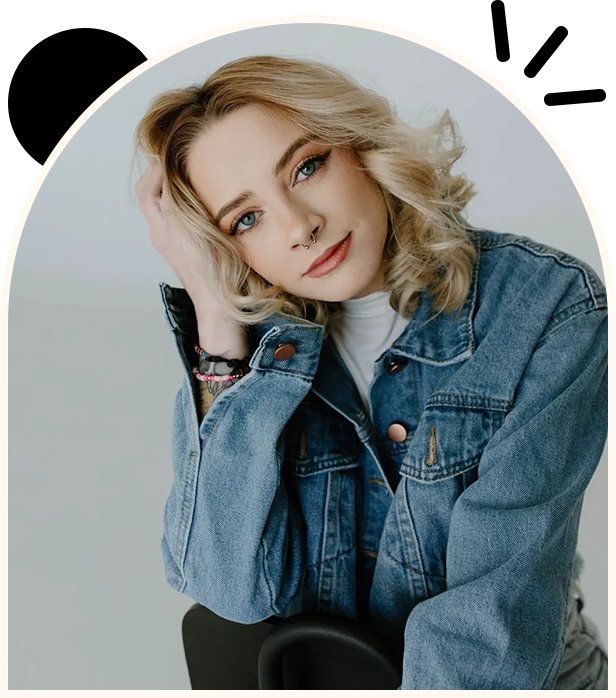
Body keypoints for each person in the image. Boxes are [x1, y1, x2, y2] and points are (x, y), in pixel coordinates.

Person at [133, 55, 608, 689]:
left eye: (308, 166)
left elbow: (488, 635)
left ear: (361, 145)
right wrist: (215, 319)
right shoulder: (258, 352)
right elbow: (228, 589)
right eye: (246, 219)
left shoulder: (546, 307)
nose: (301, 227)